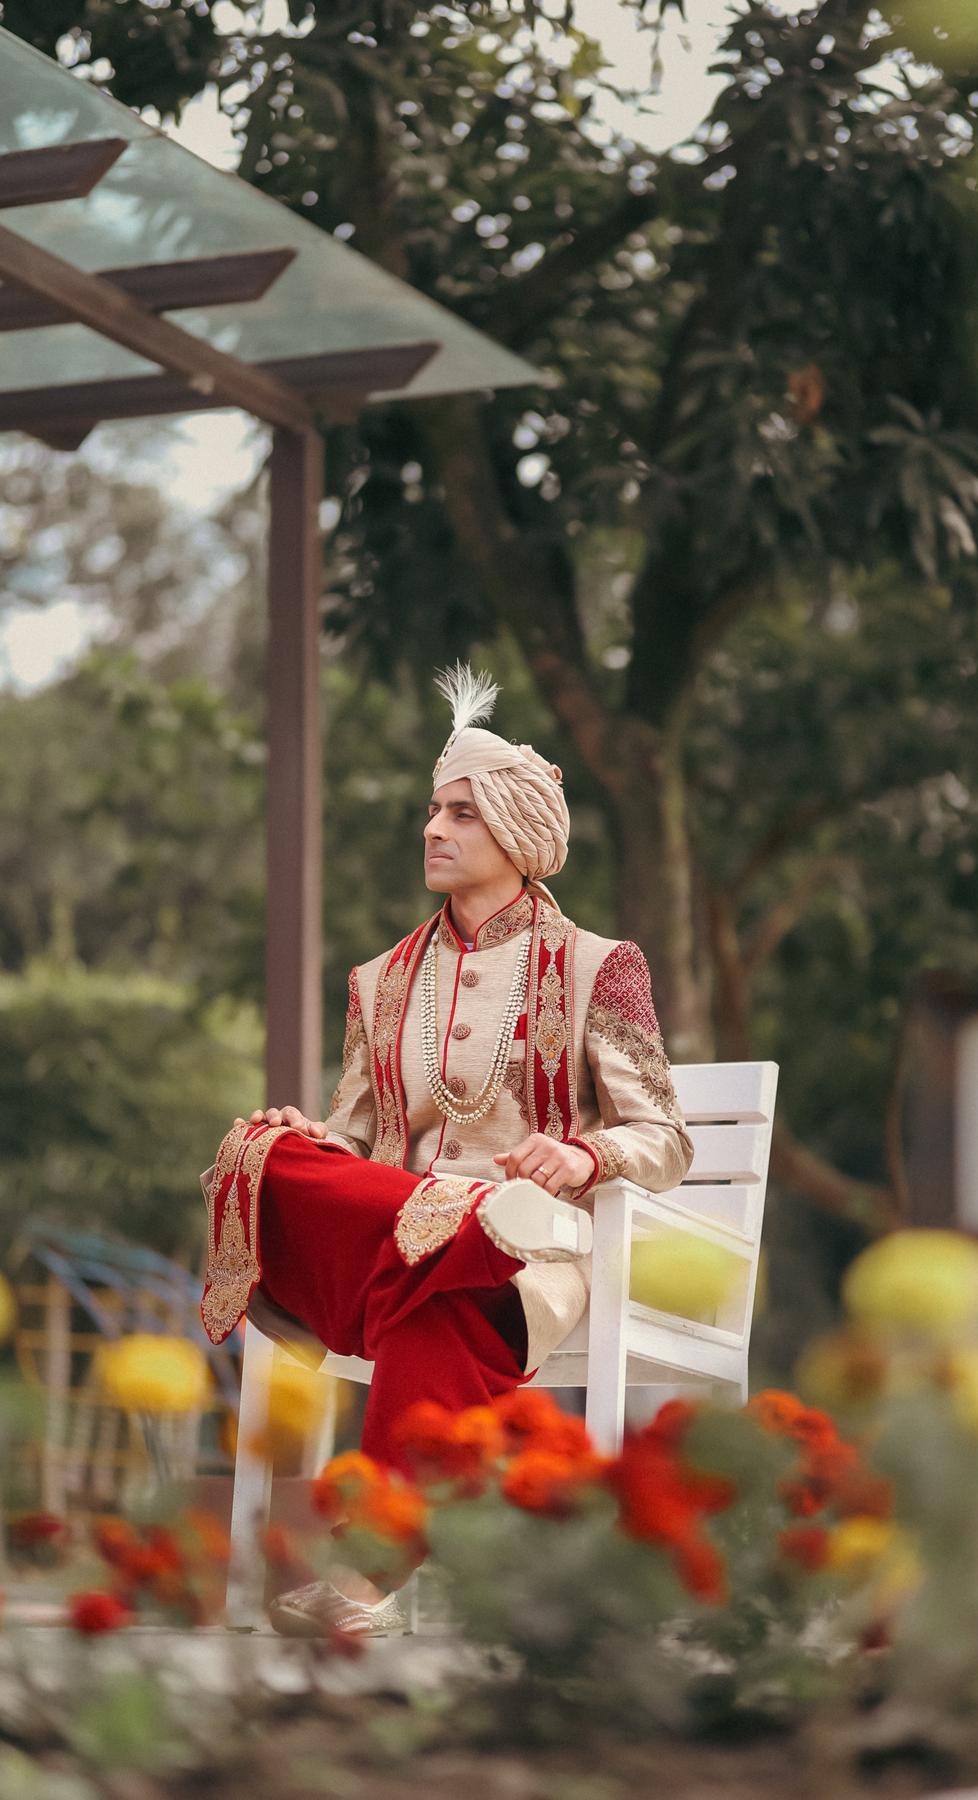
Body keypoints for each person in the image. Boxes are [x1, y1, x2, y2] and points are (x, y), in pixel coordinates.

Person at [199, 664, 694, 1633]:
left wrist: (585, 1159)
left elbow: (665, 1136)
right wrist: (310, 1142)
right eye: (433, 809)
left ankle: (367, 1581)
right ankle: (462, 1224)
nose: (433, 829)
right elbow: (350, 1140)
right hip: (392, 1237)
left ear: (517, 836)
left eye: (461, 813)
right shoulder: (378, 981)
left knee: (443, 1314)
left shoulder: (602, 967)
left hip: (531, 1259)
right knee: (259, 1145)